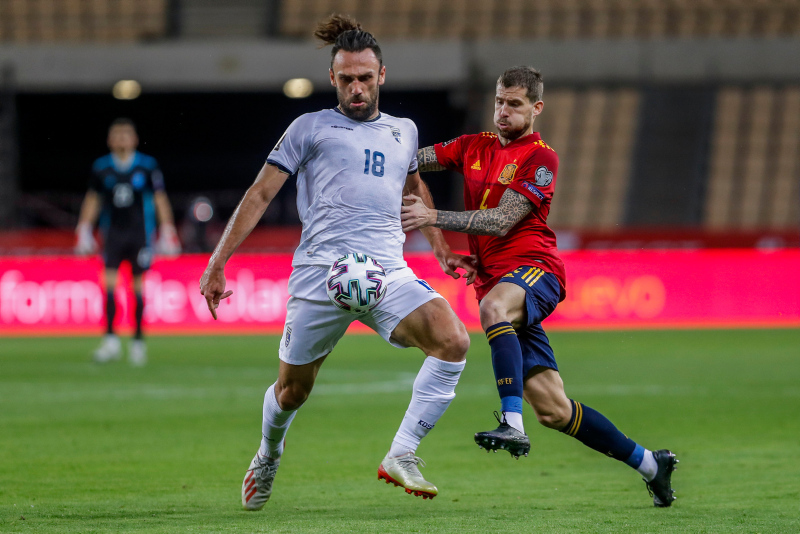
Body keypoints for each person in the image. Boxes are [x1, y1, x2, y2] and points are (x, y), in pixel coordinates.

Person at [199, 15, 473, 511]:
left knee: (453, 341)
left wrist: (439, 245)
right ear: (333, 79)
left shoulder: (404, 132)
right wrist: (218, 262)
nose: (356, 87)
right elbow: (260, 193)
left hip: (386, 272)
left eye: (365, 77)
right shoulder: (309, 128)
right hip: (320, 276)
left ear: (382, 75)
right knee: (291, 393)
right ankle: (268, 452)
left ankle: (402, 453)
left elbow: (414, 191)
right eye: (346, 78)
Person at [401, 66, 678, 507]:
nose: (503, 111)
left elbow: (500, 220)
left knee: (492, 310)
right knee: (554, 409)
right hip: (498, 281)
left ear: (536, 108)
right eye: (499, 101)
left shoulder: (540, 158)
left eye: (514, 103)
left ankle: (511, 422)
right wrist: (375, 146)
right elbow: (411, 159)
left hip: (536, 270)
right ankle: (650, 464)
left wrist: (432, 217)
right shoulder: (474, 147)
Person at [75, 118, 181, 366]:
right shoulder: (101, 168)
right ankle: (111, 340)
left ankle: (137, 341)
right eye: (117, 134)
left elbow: (159, 198)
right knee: (109, 285)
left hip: (139, 235)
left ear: (134, 139)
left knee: (137, 288)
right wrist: (84, 229)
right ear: (110, 140)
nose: (122, 138)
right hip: (112, 234)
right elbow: (93, 199)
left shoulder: (146, 166)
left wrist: (167, 230)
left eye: (126, 134)